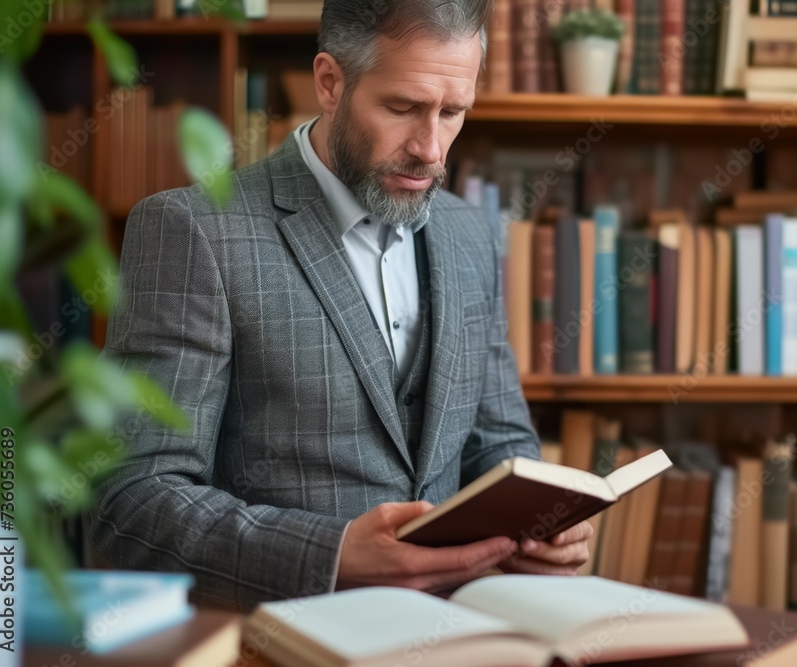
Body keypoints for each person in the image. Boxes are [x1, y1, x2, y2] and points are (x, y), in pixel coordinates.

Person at [86, 0, 592, 611]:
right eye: (402, 108)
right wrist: (332, 553)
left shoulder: (467, 233)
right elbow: (130, 501)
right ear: (329, 82)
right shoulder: (193, 230)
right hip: (283, 640)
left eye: (453, 112)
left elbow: (498, 442)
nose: (431, 149)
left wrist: (545, 519)